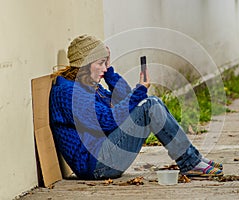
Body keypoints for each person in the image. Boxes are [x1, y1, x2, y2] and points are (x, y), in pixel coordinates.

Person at [49, 34, 223, 180]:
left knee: (150, 103)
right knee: (149, 105)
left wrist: (109, 73)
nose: (104, 68)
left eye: (105, 63)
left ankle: (192, 159)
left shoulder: (88, 85)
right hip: (96, 165)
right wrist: (139, 91)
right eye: (100, 63)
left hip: (104, 156)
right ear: (85, 64)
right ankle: (190, 162)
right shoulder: (69, 93)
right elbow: (108, 121)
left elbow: (124, 98)